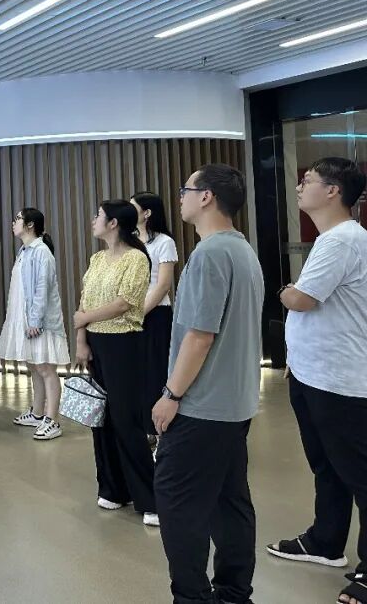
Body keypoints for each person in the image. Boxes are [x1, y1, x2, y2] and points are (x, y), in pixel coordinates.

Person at [151, 164, 264, 604]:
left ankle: (193, 597)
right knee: (229, 500)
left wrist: (171, 394)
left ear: (206, 197)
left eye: (186, 190)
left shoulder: (210, 254)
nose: (180, 197)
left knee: (177, 502)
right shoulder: (242, 250)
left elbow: (199, 336)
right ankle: (233, 592)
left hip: (201, 406)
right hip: (235, 404)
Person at [265, 157, 367, 604]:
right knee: (327, 466)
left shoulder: (343, 239)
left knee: (358, 473)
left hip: (341, 381)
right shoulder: (331, 239)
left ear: (333, 191)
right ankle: (325, 542)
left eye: (307, 181)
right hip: (314, 373)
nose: (299, 187)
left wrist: (284, 292)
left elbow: (303, 299)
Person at [74, 200, 157, 526]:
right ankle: (113, 488)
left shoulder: (136, 258)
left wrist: (85, 318)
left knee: (126, 419)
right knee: (101, 418)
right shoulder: (97, 259)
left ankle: (150, 498)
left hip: (124, 343)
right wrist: (81, 340)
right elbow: (84, 300)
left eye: (98, 215)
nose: (93, 220)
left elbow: (125, 303)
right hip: (96, 343)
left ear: (113, 223)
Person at [0, 208, 69, 441]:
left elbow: (42, 288)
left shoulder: (41, 252)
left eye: (18, 219)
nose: (14, 222)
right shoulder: (25, 251)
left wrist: (35, 321)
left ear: (30, 225)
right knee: (34, 366)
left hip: (39, 322)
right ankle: (37, 413)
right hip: (25, 319)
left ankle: (52, 419)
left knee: (46, 369)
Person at [132, 191, 179, 440]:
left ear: (147, 213)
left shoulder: (164, 242)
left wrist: (140, 312)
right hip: (131, 315)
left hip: (156, 313)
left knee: (156, 371)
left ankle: (159, 431)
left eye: (134, 207)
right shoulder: (130, 240)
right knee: (137, 373)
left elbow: (163, 285)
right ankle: (143, 428)